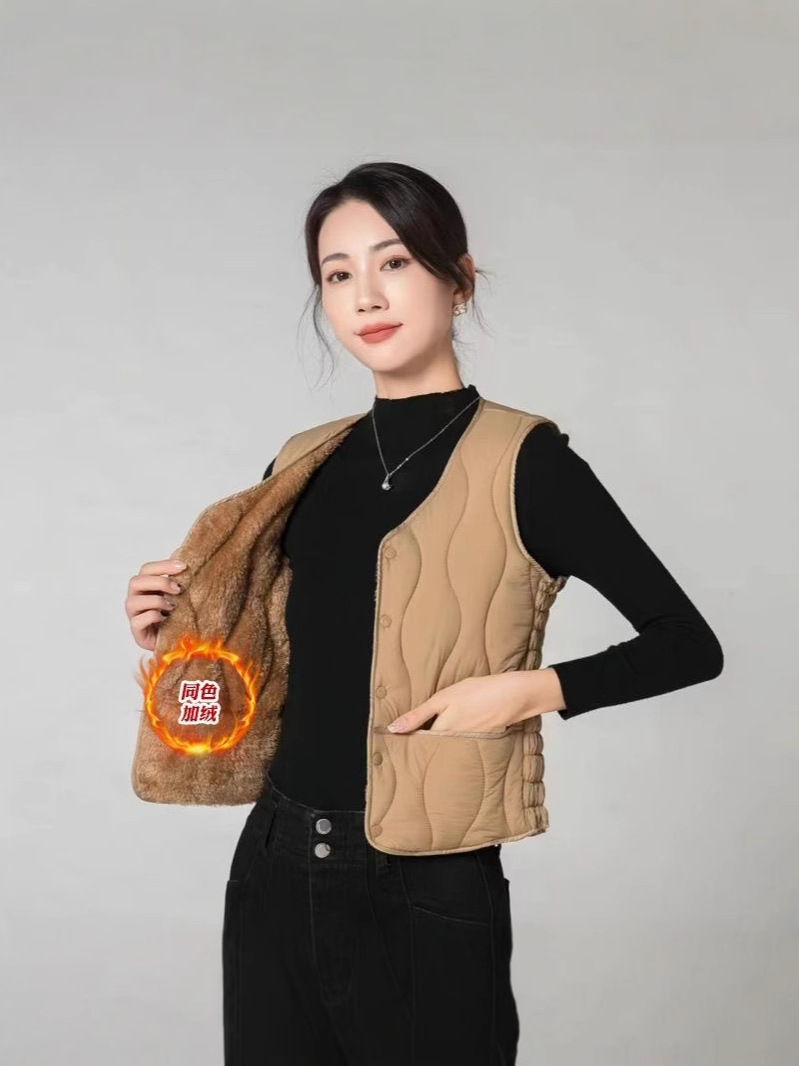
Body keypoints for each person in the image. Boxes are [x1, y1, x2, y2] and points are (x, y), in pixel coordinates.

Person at [124, 161, 724, 1065]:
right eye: (337, 273)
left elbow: (688, 645)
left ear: (458, 278)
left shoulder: (527, 461)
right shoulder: (302, 460)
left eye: (394, 262)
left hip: (427, 884)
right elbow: (269, 654)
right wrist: (169, 625)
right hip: (274, 865)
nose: (365, 295)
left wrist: (526, 691)